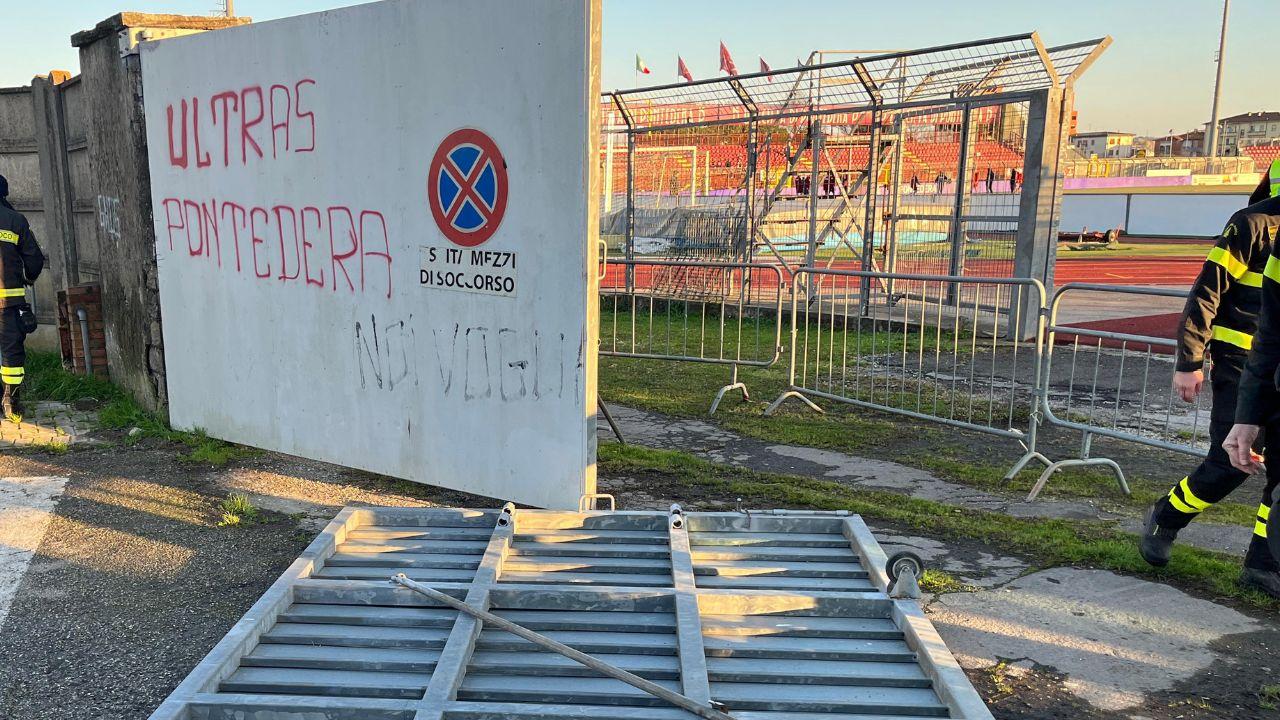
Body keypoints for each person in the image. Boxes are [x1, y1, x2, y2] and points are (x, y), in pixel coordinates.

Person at [1150, 173, 1280, 597]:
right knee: (1230, 464)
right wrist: (1189, 360)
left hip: (1276, 369)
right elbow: (1206, 293)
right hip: (1241, 364)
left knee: (1277, 472)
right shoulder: (1252, 223)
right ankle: (1166, 516)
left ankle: (1262, 567)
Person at [0, 174, 45, 422]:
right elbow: (35, 259)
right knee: (11, 353)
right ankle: (12, 402)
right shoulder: (15, 220)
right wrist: (27, 278)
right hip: (9, 303)